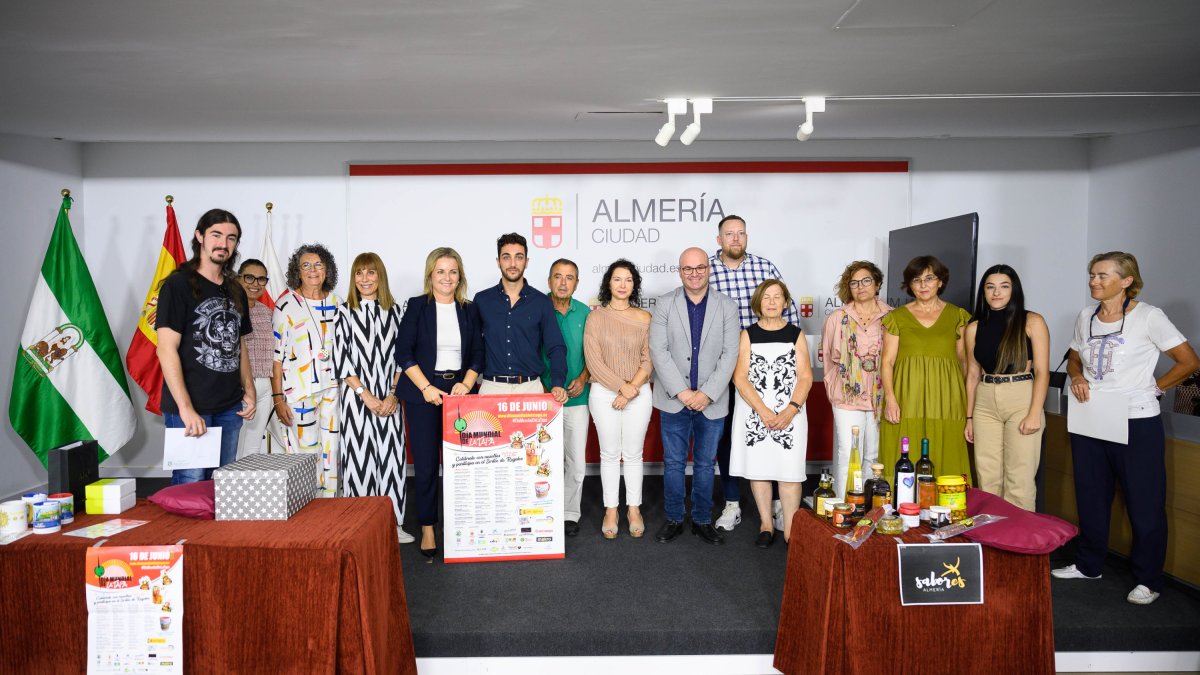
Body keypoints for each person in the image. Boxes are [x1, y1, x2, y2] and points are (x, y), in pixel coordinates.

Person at [1053, 252, 1198, 606]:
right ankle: (1089, 565)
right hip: (1090, 417)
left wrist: (1156, 386)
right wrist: (1075, 376)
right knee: (1091, 495)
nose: (1093, 281)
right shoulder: (1086, 316)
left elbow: (1189, 361)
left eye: (1102, 275)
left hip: (1136, 420)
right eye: (1091, 275)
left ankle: (1148, 579)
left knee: (1144, 502)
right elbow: (1074, 356)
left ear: (1127, 280)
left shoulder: (1149, 317)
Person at [708, 214, 800, 532]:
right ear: (719, 239)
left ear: (747, 237)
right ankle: (732, 502)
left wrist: (790, 362)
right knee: (727, 438)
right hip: (722, 370)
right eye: (729, 234)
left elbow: (790, 315)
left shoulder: (765, 268)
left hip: (769, 372)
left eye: (741, 233)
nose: (736, 238)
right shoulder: (706, 270)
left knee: (774, 431)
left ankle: (777, 504)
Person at [155, 209, 256, 484]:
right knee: (191, 482)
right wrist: (185, 409)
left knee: (221, 486)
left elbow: (240, 343)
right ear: (199, 236)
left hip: (229, 406)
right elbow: (165, 349)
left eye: (231, 238)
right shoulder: (177, 285)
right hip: (190, 406)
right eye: (216, 235)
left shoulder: (235, 290)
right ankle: (183, 531)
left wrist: (249, 389)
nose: (223, 243)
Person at [396, 247, 485, 557]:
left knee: (462, 464)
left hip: (461, 394)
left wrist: (467, 383)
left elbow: (478, 354)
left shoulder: (469, 309)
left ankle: (463, 522)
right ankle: (428, 526)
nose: (447, 277)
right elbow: (403, 352)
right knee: (426, 464)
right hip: (424, 393)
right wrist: (425, 388)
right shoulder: (418, 306)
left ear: (460, 275)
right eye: (440, 271)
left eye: (453, 271)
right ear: (430, 275)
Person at [649, 247, 741, 545]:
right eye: (688, 269)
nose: (694, 273)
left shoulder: (727, 306)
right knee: (674, 463)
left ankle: (702, 519)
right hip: (673, 398)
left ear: (709, 269)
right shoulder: (665, 304)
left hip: (712, 401)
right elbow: (658, 351)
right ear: (679, 271)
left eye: (700, 267)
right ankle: (674, 517)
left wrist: (707, 393)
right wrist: (683, 392)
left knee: (705, 464)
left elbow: (730, 354)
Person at [335, 252, 411, 544]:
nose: (365, 279)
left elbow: (402, 359)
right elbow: (341, 360)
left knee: (391, 459)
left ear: (380, 276)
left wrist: (391, 395)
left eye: (371, 273)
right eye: (359, 274)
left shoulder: (395, 312)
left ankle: (394, 524)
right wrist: (365, 396)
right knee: (359, 460)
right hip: (357, 399)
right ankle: (359, 525)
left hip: (390, 397)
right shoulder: (344, 312)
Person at [731, 279, 813, 548]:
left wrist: (791, 409)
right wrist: (764, 411)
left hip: (791, 412)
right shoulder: (747, 334)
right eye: (766, 297)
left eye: (777, 297)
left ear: (786, 302)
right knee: (759, 470)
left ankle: (790, 529)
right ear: (758, 302)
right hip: (755, 413)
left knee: (789, 472)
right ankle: (766, 524)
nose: (772, 302)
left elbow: (805, 376)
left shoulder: (796, 334)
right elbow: (740, 378)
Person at [963, 264, 1051, 511]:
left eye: (1004, 286)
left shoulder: (1032, 321)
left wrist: (1035, 412)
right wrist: (969, 417)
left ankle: (1019, 545)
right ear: (983, 291)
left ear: (1015, 290)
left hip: (1021, 395)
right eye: (990, 287)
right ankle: (992, 540)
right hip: (985, 398)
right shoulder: (973, 327)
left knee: (1020, 479)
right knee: (987, 476)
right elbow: (972, 374)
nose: (996, 293)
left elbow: (1043, 371)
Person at [879, 255, 972, 481]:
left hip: (947, 399)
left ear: (940, 282)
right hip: (906, 397)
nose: (923, 285)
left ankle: (949, 508)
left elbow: (965, 363)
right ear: (909, 285)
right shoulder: (896, 317)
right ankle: (901, 510)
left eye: (929, 278)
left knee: (947, 450)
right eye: (916, 280)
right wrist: (890, 399)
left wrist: (968, 407)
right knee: (904, 453)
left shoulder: (957, 316)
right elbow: (887, 362)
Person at [584, 259, 653, 539]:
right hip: (603, 392)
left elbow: (649, 360)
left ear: (634, 284)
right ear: (608, 283)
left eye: (628, 279)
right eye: (617, 279)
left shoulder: (645, 318)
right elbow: (593, 359)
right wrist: (620, 387)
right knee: (610, 454)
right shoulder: (596, 317)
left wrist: (630, 388)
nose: (622, 285)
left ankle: (633, 508)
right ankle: (611, 508)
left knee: (634, 454)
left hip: (638, 392)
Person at [271, 243, 341, 497]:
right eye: (306, 265)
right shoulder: (285, 305)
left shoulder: (338, 303)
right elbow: (276, 358)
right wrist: (278, 398)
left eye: (319, 264)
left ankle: (330, 504)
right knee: (304, 452)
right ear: (297, 271)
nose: (313, 270)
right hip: (298, 391)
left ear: (327, 270)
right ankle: (306, 505)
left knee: (331, 450)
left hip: (333, 389)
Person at [821, 261, 892, 501]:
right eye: (854, 283)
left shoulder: (892, 317)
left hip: (878, 395)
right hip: (847, 396)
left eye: (866, 281)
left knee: (872, 455)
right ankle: (842, 505)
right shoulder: (837, 318)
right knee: (848, 452)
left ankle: (868, 505)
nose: (860, 287)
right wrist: (834, 390)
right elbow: (828, 359)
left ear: (877, 284)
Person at [473, 233, 568, 403]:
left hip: (531, 388)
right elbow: (473, 347)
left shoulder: (541, 302)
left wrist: (558, 382)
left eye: (519, 257)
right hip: (492, 389)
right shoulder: (482, 300)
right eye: (506, 257)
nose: (513, 264)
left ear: (526, 261)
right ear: (498, 262)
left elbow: (556, 347)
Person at [542, 259, 591, 537]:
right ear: (549, 281)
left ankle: (569, 513)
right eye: (557, 277)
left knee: (575, 460)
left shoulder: (586, 313)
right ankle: (544, 508)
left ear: (577, 283)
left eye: (569, 277)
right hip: (541, 398)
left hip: (577, 397)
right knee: (543, 459)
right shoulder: (536, 309)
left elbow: (593, 355)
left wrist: (583, 378)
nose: (563, 282)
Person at [235, 258, 276, 458]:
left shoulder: (268, 313)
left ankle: (247, 489)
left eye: (261, 279)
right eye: (249, 277)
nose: (255, 284)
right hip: (240, 386)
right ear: (238, 278)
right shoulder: (230, 310)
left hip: (265, 388)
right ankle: (227, 488)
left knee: (253, 446)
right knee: (234, 444)